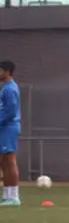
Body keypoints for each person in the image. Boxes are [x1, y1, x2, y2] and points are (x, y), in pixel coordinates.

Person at [0, 60, 22, 207]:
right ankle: (7, 194)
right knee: (3, 161)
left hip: (9, 127)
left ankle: (14, 196)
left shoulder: (10, 89)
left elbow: (11, 111)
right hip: (4, 127)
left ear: (7, 72)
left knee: (10, 160)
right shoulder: (5, 88)